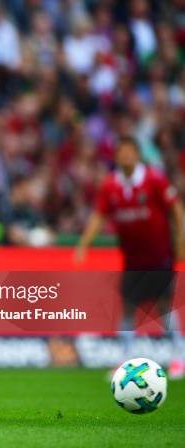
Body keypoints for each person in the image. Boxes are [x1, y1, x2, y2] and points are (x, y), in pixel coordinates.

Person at [76, 136, 184, 378]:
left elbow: (176, 209)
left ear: (137, 154)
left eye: (129, 152)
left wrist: (180, 240)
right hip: (132, 260)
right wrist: (84, 244)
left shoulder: (154, 179)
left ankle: (180, 357)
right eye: (121, 152)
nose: (126, 156)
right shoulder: (110, 185)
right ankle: (125, 361)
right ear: (116, 156)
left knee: (164, 306)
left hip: (159, 256)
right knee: (127, 308)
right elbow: (98, 215)